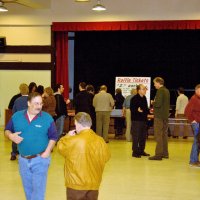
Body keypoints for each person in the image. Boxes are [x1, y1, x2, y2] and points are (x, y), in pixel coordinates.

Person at [5, 92, 58, 200]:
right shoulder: (17, 116)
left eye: (41, 103)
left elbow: (53, 136)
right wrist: (10, 136)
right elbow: (7, 130)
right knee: (28, 191)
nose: (39, 106)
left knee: (38, 192)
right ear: (28, 103)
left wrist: (47, 151)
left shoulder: (47, 118)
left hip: (40, 159)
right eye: (36, 103)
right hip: (23, 160)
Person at [57, 112, 110, 200]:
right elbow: (106, 157)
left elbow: (60, 147)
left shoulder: (73, 140)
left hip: (75, 185)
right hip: (94, 184)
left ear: (77, 123)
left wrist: (67, 136)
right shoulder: (100, 141)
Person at [149, 77, 170, 161]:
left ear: (158, 82)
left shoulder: (160, 91)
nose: (154, 85)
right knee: (164, 135)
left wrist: (152, 102)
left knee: (158, 135)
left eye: (154, 83)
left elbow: (158, 104)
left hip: (159, 116)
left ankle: (158, 155)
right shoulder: (166, 90)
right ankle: (165, 153)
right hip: (165, 116)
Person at [130, 84, 150, 158]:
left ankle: (141, 150)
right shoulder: (134, 99)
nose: (145, 90)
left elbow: (145, 109)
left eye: (145, 89)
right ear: (139, 90)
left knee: (143, 137)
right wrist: (138, 110)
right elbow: (132, 110)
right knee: (136, 137)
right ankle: (135, 152)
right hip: (136, 121)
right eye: (143, 89)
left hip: (143, 120)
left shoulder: (144, 98)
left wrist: (148, 113)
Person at [10, 83, 29, 161]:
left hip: (18, 122)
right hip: (29, 122)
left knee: (15, 136)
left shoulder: (17, 100)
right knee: (28, 137)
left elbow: (14, 111)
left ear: (20, 90)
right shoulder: (30, 100)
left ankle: (14, 154)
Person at [185, 84, 200, 167]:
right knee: (196, 142)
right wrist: (193, 120)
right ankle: (193, 161)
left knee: (198, 142)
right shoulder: (194, 99)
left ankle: (195, 160)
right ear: (196, 90)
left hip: (198, 122)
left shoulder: (198, 99)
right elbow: (187, 111)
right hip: (196, 123)